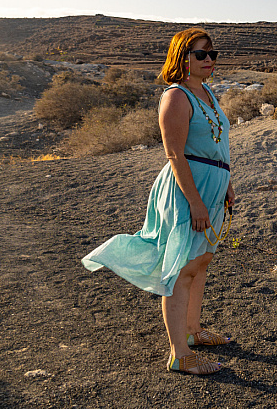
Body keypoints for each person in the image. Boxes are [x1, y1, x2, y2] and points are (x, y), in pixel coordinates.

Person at [82, 27, 235, 375]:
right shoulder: (177, 96)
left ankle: (194, 332)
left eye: (212, 53)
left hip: (213, 186)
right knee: (180, 270)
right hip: (187, 190)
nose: (209, 60)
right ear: (181, 58)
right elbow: (175, 155)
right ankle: (180, 354)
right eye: (200, 54)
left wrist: (227, 182)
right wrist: (195, 202)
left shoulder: (206, 92)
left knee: (201, 261)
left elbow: (217, 145)